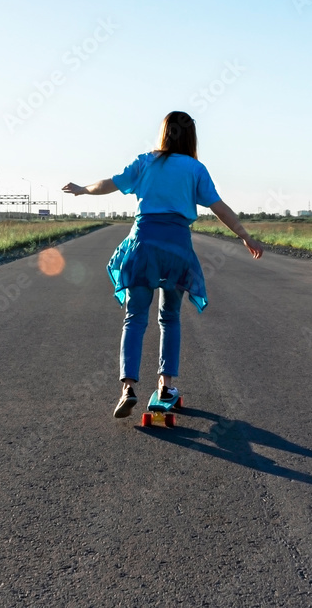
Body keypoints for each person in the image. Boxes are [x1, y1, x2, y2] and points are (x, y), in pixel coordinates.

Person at [62, 111, 263, 418]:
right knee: (169, 318)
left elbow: (110, 183)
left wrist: (82, 189)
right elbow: (219, 207)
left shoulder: (145, 162)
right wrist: (245, 235)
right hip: (176, 249)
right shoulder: (195, 169)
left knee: (135, 318)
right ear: (191, 136)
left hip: (143, 245)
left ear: (164, 133)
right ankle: (165, 386)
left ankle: (128, 388)